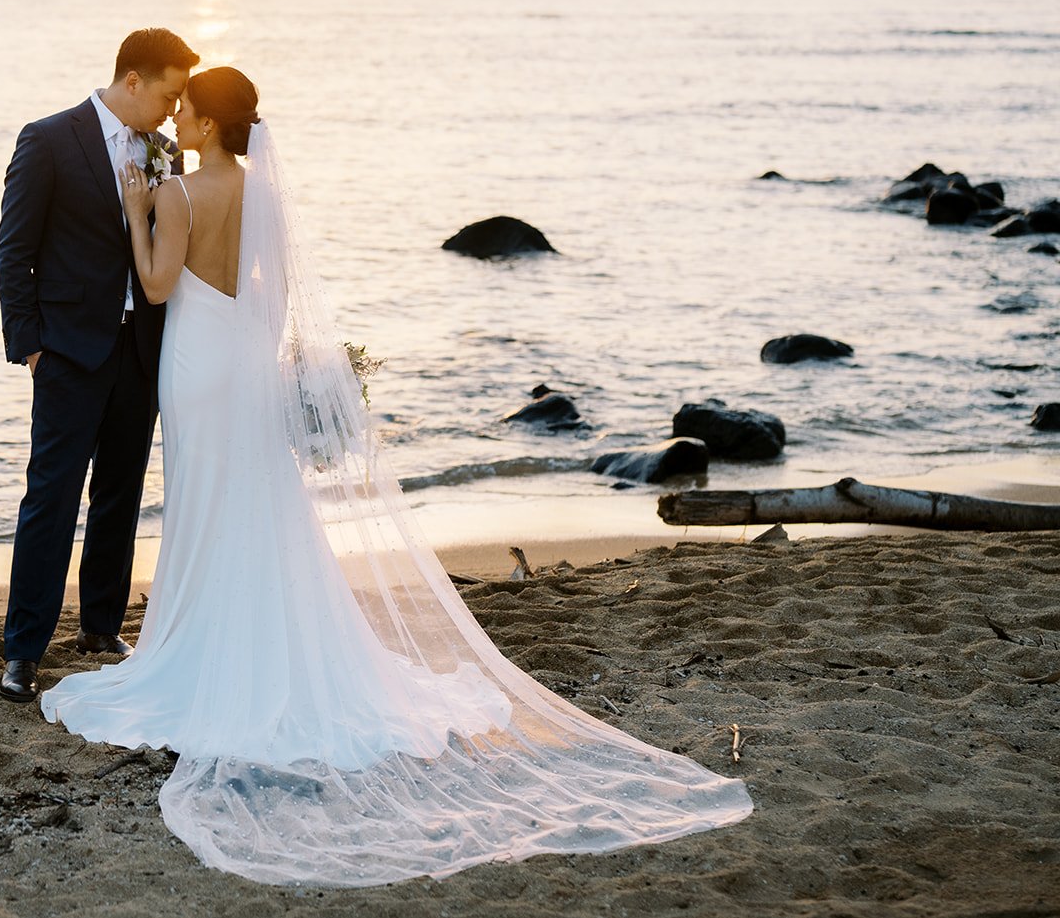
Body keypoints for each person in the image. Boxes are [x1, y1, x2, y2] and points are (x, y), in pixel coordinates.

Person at [40, 65, 754, 886]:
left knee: (202, 503)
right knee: (258, 506)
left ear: (205, 124)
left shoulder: (179, 194)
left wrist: (137, 210)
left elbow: (159, 285)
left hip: (197, 368)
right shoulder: (262, 193)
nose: (180, 121)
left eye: (188, 112)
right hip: (246, 364)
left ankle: (196, 639)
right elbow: (267, 294)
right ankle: (251, 631)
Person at [0, 28, 198, 704]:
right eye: (168, 94)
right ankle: (23, 649)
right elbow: (13, 249)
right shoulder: (48, 139)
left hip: (140, 353)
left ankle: (102, 627)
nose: (173, 111)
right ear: (133, 82)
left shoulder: (163, 152)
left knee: (120, 493)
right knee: (50, 499)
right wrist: (28, 342)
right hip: (68, 351)